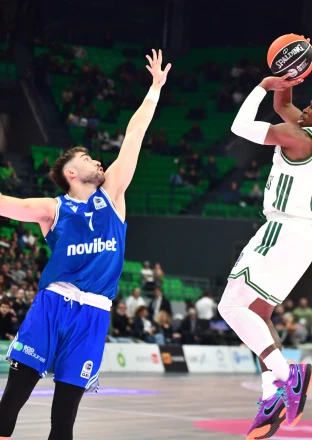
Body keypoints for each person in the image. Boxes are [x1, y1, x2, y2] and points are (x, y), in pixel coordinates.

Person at [0, 49, 171, 440]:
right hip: (52, 306)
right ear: (71, 173)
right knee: (11, 401)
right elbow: (6, 204)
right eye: (88, 158)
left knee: (64, 419)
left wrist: (155, 89)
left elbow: (134, 135)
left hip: (93, 314)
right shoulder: (53, 209)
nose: (98, 161)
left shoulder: (113, 195)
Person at [218, 60, 312, 439]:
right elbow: (284, 105)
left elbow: (240, 127)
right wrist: (289, 77)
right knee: (259, 314)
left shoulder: (300, 137)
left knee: (230, 307)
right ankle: (271, 398)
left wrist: (263, 85)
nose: (306, 107)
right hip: (302, 235)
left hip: (281, 229)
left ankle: (287, 373)